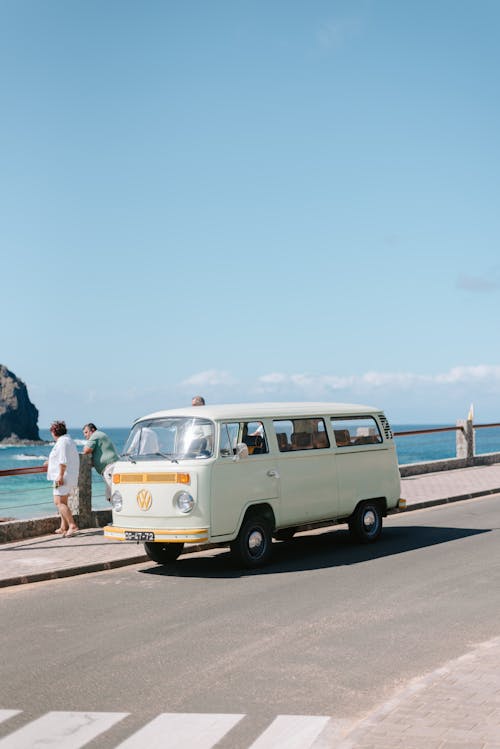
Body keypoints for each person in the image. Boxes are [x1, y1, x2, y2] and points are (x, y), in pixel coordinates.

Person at [46, 421, 79, 537]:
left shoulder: (62, 442)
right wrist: (50, 462)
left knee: (58, 502)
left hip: (62, 477)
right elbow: (62, 458)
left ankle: (72, 525)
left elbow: (63, 460)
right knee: (63, 502)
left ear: (54, 432)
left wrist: (60, 475)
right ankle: (63, 527)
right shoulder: (68, 440)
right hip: (67, 476)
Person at [82, 423, 119, 502]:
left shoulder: (95, 435)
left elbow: (86, 450)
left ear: (92, 430)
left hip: (109, 468)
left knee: (115, 495)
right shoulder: (100, 435)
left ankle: (121, 512)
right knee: (110, 496)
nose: (85, 435)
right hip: (110, 467)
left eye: (86, 432)